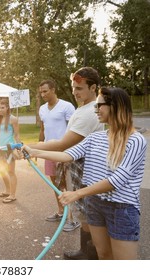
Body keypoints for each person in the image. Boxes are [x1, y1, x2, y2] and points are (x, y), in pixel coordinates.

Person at [20, 87, 147, 260]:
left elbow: (117, 180)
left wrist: (77, 193)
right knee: (103, 255)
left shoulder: (136, 140)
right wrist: (34, 152)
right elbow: (67, 155)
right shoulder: (96, 138)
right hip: (95, 204)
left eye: (99, 106)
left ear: (115, 106)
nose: (96, 110)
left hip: (121, 208)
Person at [14, 67, 104, 259]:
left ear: (94, 87)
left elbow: (64, 144)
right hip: (77, 163)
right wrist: (32, 146)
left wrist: (31, 147)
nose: (74, 92)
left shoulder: (91, 112)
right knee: (82, 211)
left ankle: (93, 256)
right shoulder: (83, 108)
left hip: (88, 167)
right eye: (73, 87)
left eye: (79, 88)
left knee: (89, 213)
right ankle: (84, 252)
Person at [38, 80, 75, 222]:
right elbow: (43, 129)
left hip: (64, 152)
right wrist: (39, 147)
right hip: (48, 151)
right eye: (41, 92)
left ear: (53, 90)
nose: (43, 94)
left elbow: (73, 130)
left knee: (68, 184)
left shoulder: (66, 106)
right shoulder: (42, 109)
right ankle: (60, 212)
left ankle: (72, 217)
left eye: (45, 91)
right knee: (55, 184)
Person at [0, 98, 20, 203]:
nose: (0, 110)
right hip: (1, 149)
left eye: (2, 107)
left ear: (7, 108)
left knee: (11, 171)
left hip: (10, 149)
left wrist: (18, 147)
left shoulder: (13, 119)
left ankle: (12, 195)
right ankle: (7, 191)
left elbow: (16, 135)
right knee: (1, 170)